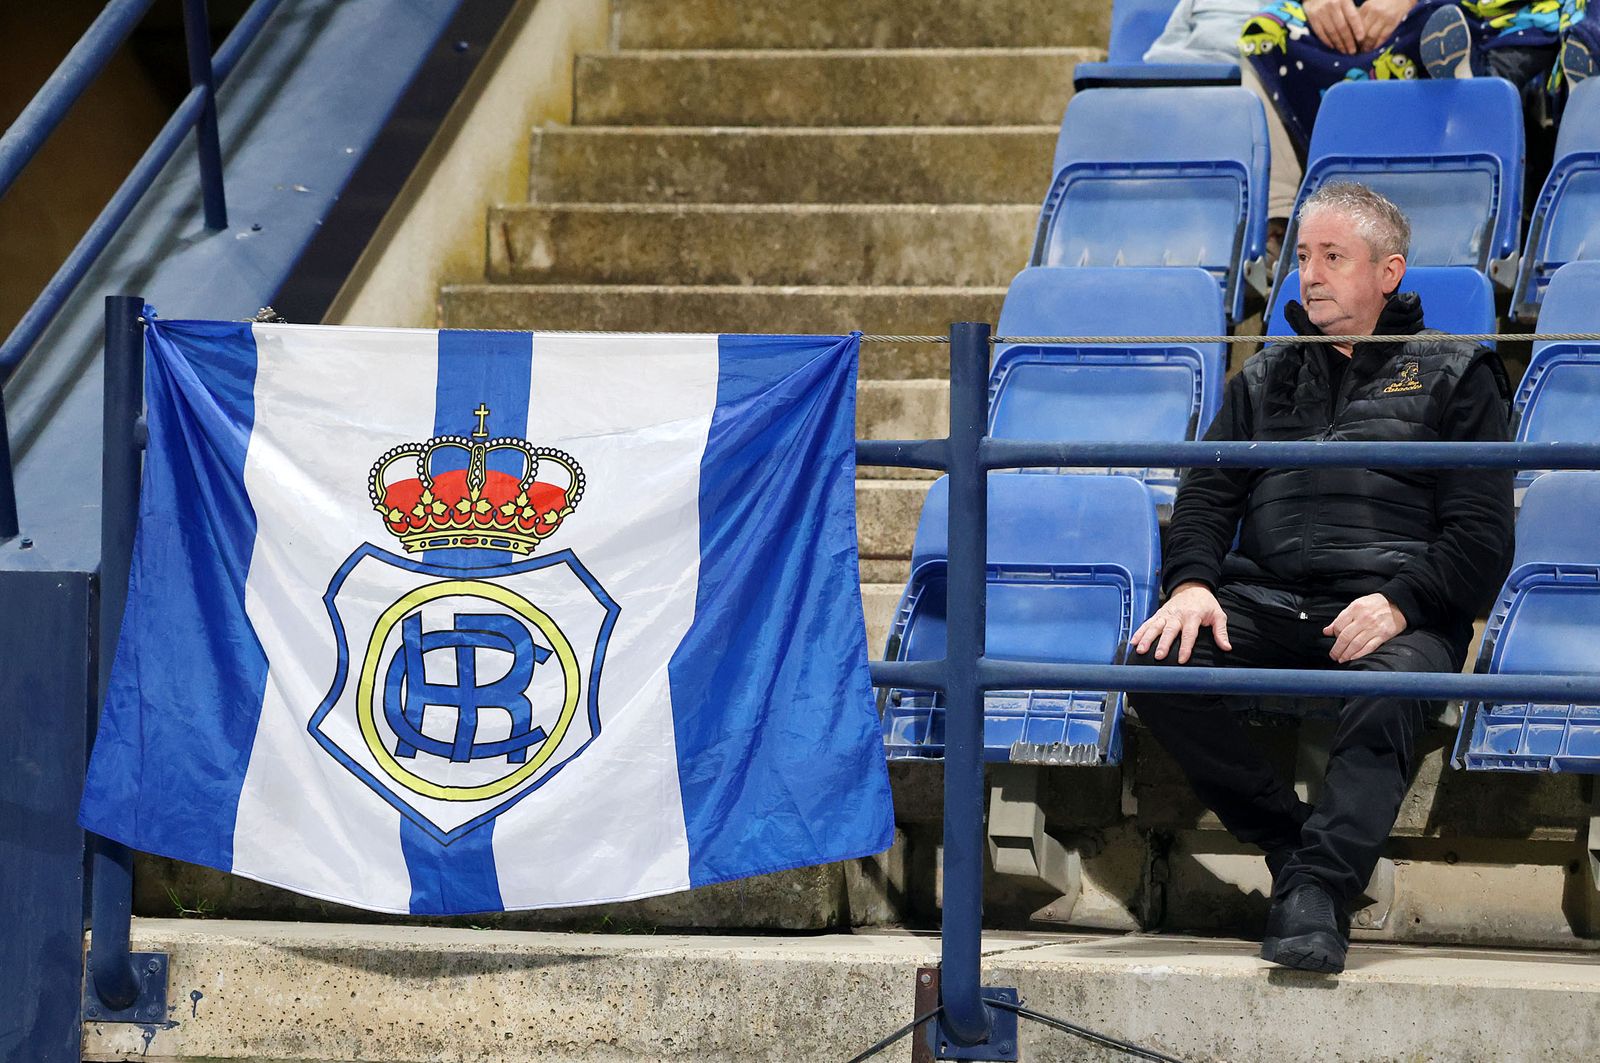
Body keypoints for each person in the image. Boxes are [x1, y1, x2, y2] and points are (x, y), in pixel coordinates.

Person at [1125, 181, 1514, 974]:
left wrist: (1402, 602)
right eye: (1303, 256)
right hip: (1267, 600)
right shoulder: (1265, 374)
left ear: (1388, 272)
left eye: (1334, 256)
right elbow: (1207, 494)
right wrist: (1192, 583)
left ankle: (1319, 892)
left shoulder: (1457, 370)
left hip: (1394, 609)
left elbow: (1481, 535)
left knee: (1392, 687)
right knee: (1153, 664)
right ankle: (1296, 848)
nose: (1310, 274)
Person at [1241, 0, 1590, 150]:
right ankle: (1275, 225)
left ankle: (1480, 81)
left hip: (1468, 16)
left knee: (1442, 20)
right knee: (1269, 29)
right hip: (1366, 24)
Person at [1143, 0, 1302, 260]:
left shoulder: (1295, 7)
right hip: (1192, 86)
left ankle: (1270, 233)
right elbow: (1158, 55)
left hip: (1252, 82)